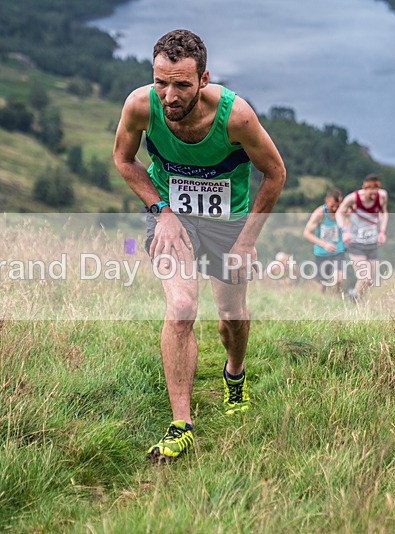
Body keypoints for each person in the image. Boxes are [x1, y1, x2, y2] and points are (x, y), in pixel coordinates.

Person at [113, 29, 286, 461]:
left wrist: (247, 241)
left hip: (229, 224)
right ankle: (181, 424)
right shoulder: (140, 106)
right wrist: (162, 211)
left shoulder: (236, 117)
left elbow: (275, 173)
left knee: (232, 316)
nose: (169, 96)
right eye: (161, 82)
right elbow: (124, 159)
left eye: (182, 85)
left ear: (203, 79)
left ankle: (235, 374)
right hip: (172, 218)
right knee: (182, 308)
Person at [335, 174, 388, 301]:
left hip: (372, 243)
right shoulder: (353, 198)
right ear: (364, 188)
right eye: (371, 192)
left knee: (369, 281)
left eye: (376, 191)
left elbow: (384, 212)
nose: (374, 194)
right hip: (356, 243)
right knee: (363, 278)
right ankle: (356, 303)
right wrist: (344, 231)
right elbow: (339, 213)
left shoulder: (382, 195)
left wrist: (382, 231)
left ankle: (355, 297)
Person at [303, 188, 346, 294]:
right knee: (322, 284)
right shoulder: (319, 213)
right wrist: (324, 244)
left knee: (338, 280)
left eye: (338, 206)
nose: (335, 209)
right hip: (321, 252)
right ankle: (321, 301)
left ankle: (336, 300)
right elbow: (307, 233)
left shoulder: (343, 212)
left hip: (338, 251)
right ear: (326, 201)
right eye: (332, 206)